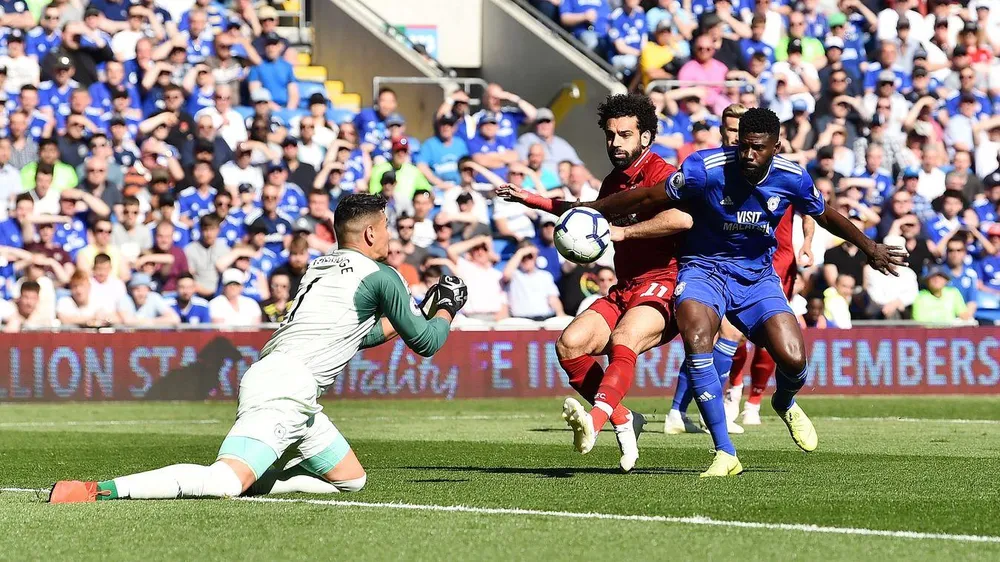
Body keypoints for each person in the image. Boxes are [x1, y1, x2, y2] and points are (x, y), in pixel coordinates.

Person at [539, 107, 905, 476]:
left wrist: (869, 247)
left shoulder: (792, 176)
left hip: (757, 278)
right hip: (702, 269)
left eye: (757, 148)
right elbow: (649, 198)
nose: (747, 155)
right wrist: (590, 210)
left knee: (793, 358)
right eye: (743, 146)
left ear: (776, 147)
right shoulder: (705, 167)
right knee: (697, 338)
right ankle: (725, 452)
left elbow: (825, 214)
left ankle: (784, 400)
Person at [49, 194, 468, 503]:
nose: (390, 237)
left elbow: (362, 335)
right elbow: (428, 342)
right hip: (285, 388)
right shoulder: (382, 274)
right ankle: (95, 490)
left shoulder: (320, 267)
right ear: (372, 232)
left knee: (350, 480)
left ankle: (259, 475)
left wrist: (424, 309)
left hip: (291, 388)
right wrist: (447, 307)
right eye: (387, 229)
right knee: (224, 483)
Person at [497, 94, 693, 472]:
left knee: (623, 340)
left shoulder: (663, 174)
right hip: (626, 287)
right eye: (610, 135)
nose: (615, 143)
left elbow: (682, 220)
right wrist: (532, 200)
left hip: (665, 282)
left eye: (624, 134)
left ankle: (596, 421)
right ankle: (623, 417)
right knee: (569, 345)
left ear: (646, 137)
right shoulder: (612, 182)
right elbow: (588, 212)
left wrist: (624, 233)